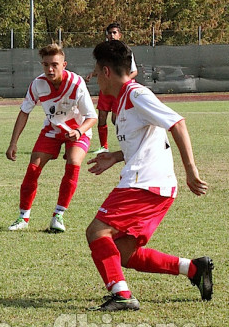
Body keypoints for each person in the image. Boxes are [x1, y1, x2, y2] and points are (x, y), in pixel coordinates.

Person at [86, 40, 212, 311]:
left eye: (96, 71)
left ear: (107, 71)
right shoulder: (124, 100)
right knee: (124, 253)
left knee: (97, 231)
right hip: (153, 185)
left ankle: (121, 295)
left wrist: (191, 171)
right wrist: (116, 156)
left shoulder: (136, 95)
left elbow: (177, 123)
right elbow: (145, 141)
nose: (95, 77)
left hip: (145, 184)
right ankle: (193, 269)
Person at [6, 43, 97, 233]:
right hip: (52, 129)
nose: (50, 69)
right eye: (46, 64)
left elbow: (92, 117)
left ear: (64, 64)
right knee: (33, 168)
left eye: (54, 64)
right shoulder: (38, 84)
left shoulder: (76, 83)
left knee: (73, 162)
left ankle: (58, 216)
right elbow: (24, 112)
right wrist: (13, 142)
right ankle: (23, 217)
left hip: (78, 130)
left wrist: (78, 132)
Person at [86, 22, 138, 154]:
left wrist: (123, 83)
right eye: (110, 33)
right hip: (106, 89)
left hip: (118, 90)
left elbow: (134, 71)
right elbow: (100, 69)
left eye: (114, 32)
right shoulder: (103, 51)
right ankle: (104, 147)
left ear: (120, 35)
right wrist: (93, 74)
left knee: (116, 119)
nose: (112, 35)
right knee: (101, 117)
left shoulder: (125, 51)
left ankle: (127, 142)